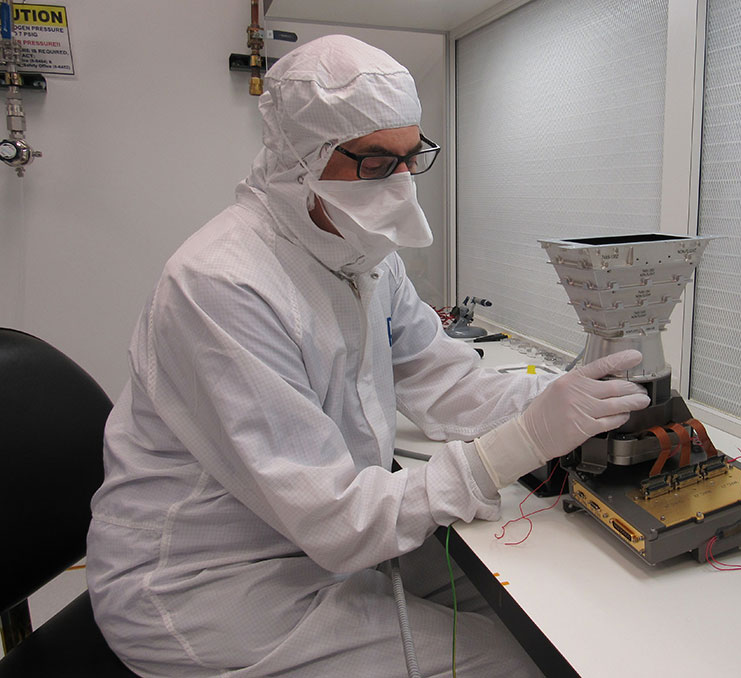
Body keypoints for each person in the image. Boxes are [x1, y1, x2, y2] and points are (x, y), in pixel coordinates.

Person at [86, 34, 649, 678]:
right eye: (377, 162)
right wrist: (517, 445)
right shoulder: (223, 286)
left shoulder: (364, 255)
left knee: (551, 609)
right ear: (306, 156)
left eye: (413, 157)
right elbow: (334, 518)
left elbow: (446, 386)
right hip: (213, 584)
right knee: (515, 664)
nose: (402, 184)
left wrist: (563, 400)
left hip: (322, 544)